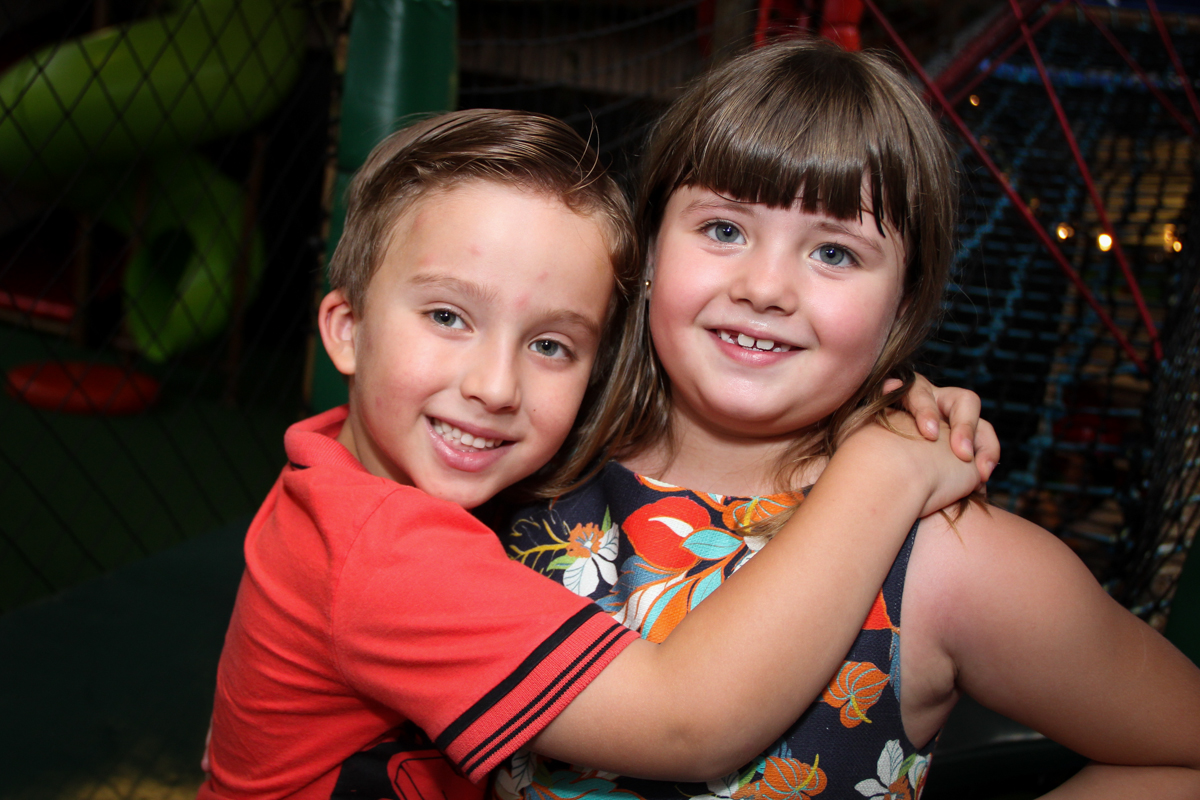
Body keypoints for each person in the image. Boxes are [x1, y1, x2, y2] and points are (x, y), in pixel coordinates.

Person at [199, 108, 997, 800]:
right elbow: (686, 722)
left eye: (551, 344)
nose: (495, 385)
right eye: (447, 317)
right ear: (346, 328)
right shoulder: (376, 550)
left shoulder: (356, 467)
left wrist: (892, 402)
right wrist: (881, 471)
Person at [500, 39, 1200, 800]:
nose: (765, 287)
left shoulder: (950, 559)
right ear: (651, 245)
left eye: (835, 253)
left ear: (902, 303)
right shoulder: (524, 459)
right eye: (725, 229)